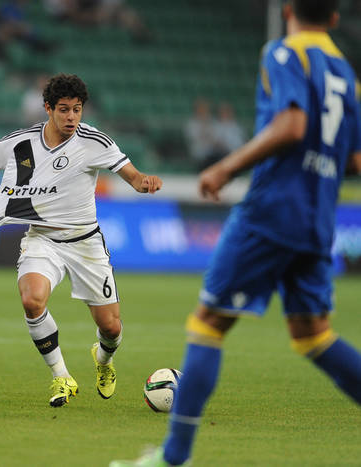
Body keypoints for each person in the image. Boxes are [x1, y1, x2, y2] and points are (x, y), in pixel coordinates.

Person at [112, 1, 361, 465]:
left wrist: (226, 167)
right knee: (313, 335)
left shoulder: (284, 53)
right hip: (318, 217)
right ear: (334, 18)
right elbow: (353, 158)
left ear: (288, 9)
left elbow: (292, 125)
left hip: (272, 211)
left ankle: (173, 457)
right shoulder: (346, 73)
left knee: (208, 323)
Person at [0, 73, 162, 407]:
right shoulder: (20, 142)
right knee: (32, 300)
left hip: (85, 243)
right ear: (48, 108)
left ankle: (103, 360)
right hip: (42, 239)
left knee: (111, 328)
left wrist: (144, 182)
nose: (71, 117)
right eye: (64, 109)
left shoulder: (95, 142)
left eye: (77, 109)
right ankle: (61, 376)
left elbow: (134, 177)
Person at [183, 97, 221, 171]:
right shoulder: (192, 123)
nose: (203, 112)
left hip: (213, 152)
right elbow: (195, 138)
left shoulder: (213, 122)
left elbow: (216, 139)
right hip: (199, 152)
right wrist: (204, 124)